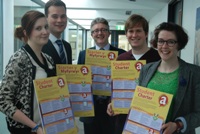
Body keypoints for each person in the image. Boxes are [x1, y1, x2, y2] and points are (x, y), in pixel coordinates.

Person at [138, 22, 200, 134]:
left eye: (171, 42)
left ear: (179, 44)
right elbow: (139, 102)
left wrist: (178, 125)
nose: (164, 46)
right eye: (161, 41)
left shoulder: (194, 73)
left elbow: (198, 113)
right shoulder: (146, 69)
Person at [0, 10, 55, 134]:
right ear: (26, 32)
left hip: (46, 127)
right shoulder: (19, 59)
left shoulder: (49, 60)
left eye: (46, 27)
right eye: (38, 28)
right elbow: (3, 100)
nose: (45, 32)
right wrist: (34, 127)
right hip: (25, 130)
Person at [107, 14, 160, 134]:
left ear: (146, 33)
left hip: (149, 119)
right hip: (123, 120)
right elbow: (115, 88)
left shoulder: (158, 58)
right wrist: (111, 103)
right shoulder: (121, 59)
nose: (134, 35)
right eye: (131, 31)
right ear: (126, 34)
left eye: (138, 31)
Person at [77, 17, 126, 134]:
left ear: (109, 33)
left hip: (113, 108)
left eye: (103, 30)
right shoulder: (83, 55)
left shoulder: (121, 55)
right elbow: (78, 81)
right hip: (90, 109)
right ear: (92, 34)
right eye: (96, 31)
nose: (100, 33)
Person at [42, 0, 72, 67]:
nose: (59, 20)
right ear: (46, 18)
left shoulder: (67, 46)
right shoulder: (39, 46)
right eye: (55, 16)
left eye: (63, 16)